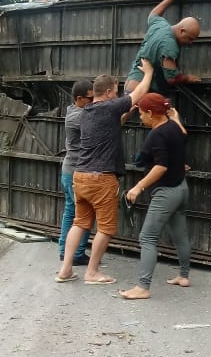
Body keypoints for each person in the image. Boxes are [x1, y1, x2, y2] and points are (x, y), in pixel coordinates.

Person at [56, 59, 154, 284]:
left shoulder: (87, 110)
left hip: (80, 177)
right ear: (109, 92)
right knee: (107, 228)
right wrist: (148, 73)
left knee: (80, 223)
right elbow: (139, 92)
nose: (118, 95)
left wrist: (126, 111)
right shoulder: (110, 106)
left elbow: (112, 121)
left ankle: (65, 270)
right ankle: (92, 272)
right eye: (117, 92)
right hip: (101, 179)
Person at [120, 92, 190, 300]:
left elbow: (160, 166)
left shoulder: (157, 134)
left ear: (150, 113)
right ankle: (184, 276)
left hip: (166, 191)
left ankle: (143, 287)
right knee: (180, 234)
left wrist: (138, 187)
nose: (140, 118)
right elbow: (183, 135)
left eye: (141, 114)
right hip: (182, 188)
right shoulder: (174, 127)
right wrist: (176, 117)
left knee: (147, 237)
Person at [125, 0, 201, 94]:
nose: (190, 42)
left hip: (131, 82)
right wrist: (186, 78)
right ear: (182, 31)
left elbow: (153, 15)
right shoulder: (169, 46)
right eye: (189, 38)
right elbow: (171, 78)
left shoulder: (160, 25)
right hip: (142, 91)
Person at [59, 79, 94, 266]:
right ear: (79, 99)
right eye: (91, 98)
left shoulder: (76, 111)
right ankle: (75, 254)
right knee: (83, 214)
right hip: (74, 172)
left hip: (70, 171)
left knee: (71, 211)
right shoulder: (78, 117)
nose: (94, 100)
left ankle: (66, 252)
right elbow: (103, 124)